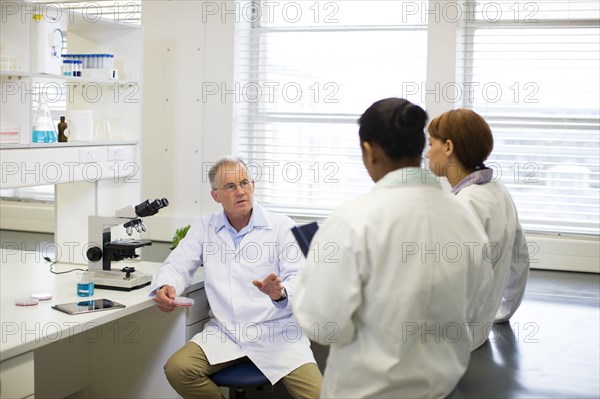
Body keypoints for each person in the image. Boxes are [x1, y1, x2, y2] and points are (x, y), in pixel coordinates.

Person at [292, 98, 494, 399]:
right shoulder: (463, 216)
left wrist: (300, 288)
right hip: (443, 390)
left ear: (369, 150)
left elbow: (323, 325)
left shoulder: (352, 220)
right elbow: (478, 299)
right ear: (418, 148)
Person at [153, 157, 323, 399]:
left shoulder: (281, 226)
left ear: (253, 185)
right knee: (178, 369)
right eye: (230, 187)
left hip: (277, 333)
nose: (240, 191)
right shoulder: (205, 227)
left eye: (244, 183)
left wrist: (280, 293)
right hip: (226, 333)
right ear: (216, 196)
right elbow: (178, 264)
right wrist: (167, 285)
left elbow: (300, 278)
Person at [425, 108, 530, 350]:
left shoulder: (465, 205)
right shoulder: (497, 190)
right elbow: (520, 258)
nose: (428, 153)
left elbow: (447, 282)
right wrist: (502, 311)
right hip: (478, 331)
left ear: (449, 147)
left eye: (431, 144)